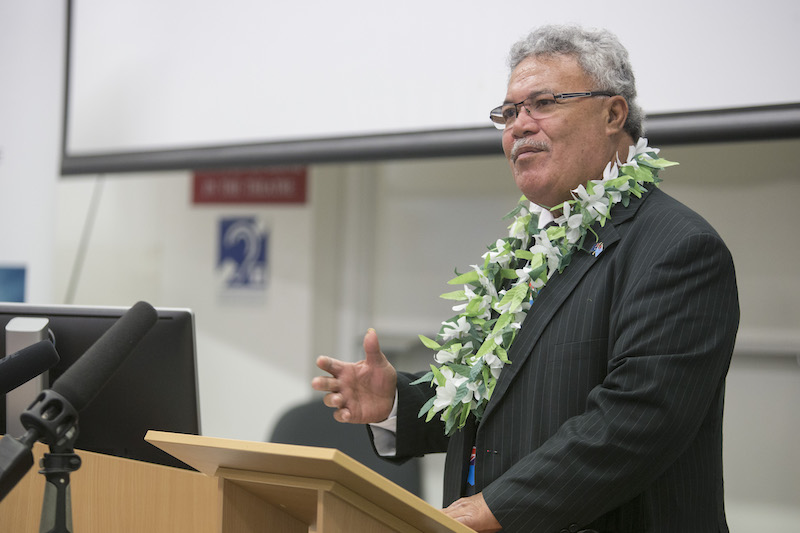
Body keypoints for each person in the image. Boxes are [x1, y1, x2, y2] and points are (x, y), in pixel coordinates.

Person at [312, 24, 739, 533]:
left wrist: (497, 508)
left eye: (543, 102)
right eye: (509, 112)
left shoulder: (678, 249)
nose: (519, 126)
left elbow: (639, 421)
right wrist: (396, 403)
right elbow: (499, 401)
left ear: (612, 113)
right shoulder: (529, 249)